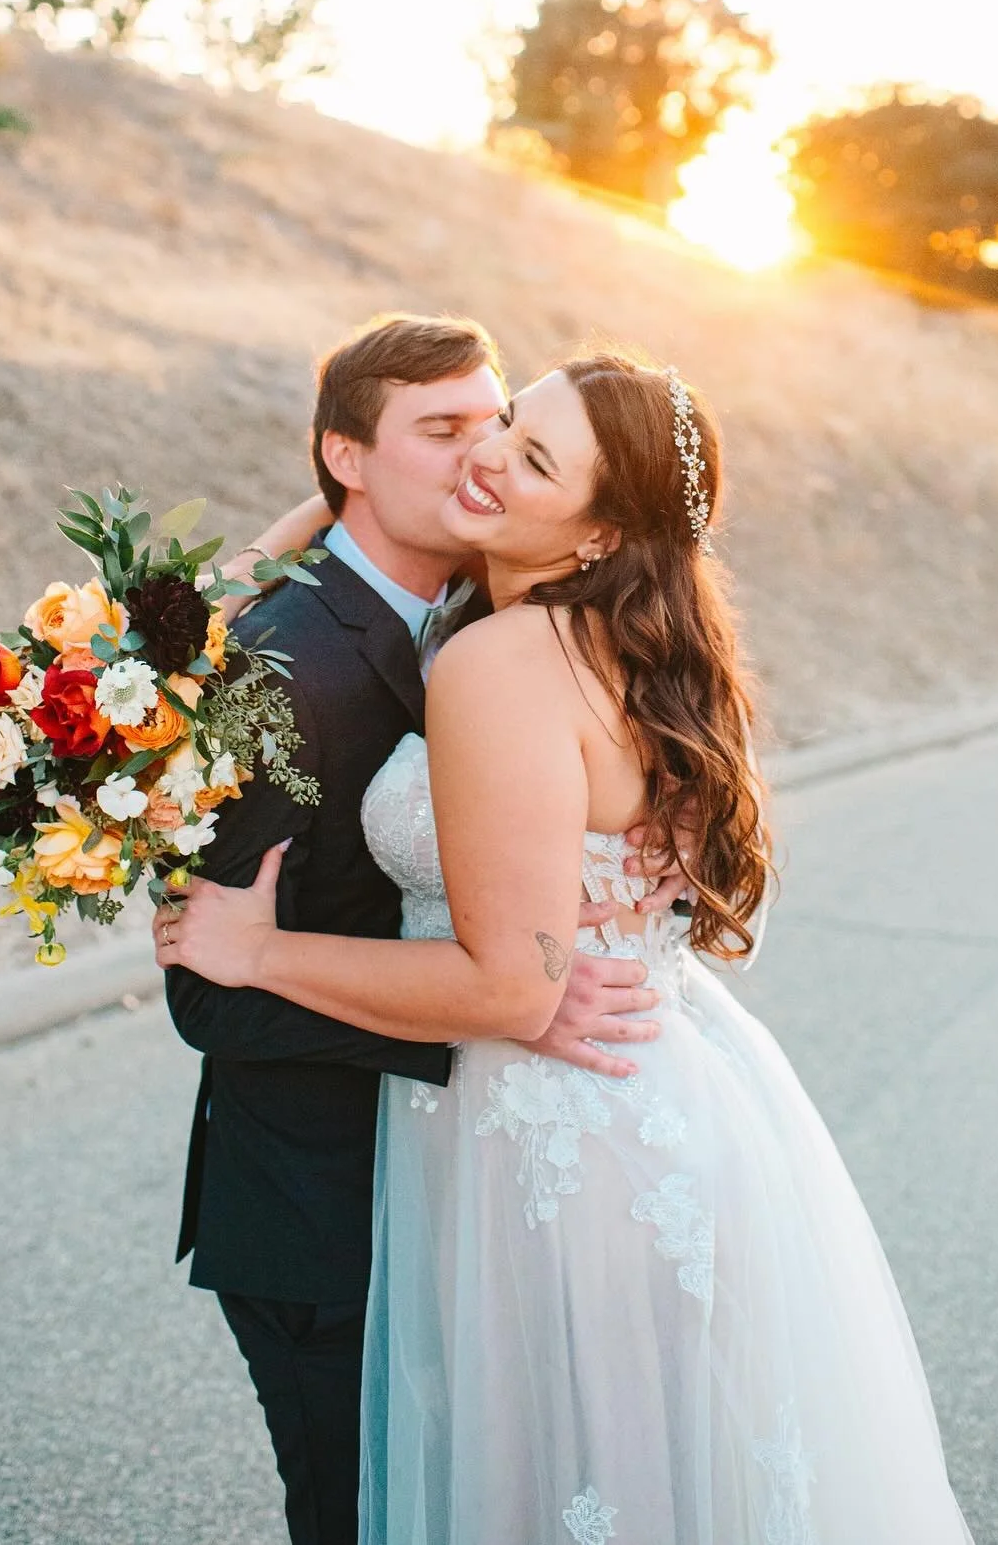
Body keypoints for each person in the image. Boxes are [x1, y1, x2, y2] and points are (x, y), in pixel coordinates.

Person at [159, 349, 975, 1542]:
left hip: (553, 1133)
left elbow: (506, 980)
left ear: (598, 534)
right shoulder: (626, 638)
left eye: (531, 455)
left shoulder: (496, 657)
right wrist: (330, 511)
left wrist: (261, 949)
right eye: (498, 423)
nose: (489, 455)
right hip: (661, 1094)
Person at [164, 315, 686, 1545]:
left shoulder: (489, 599)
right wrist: (504, 1003)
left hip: (478, 1186)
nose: (481, 455)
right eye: (446, 429)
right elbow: (208, 988)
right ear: (347, 455)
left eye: (498, 423)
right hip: (322, 1210)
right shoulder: (268, 671)